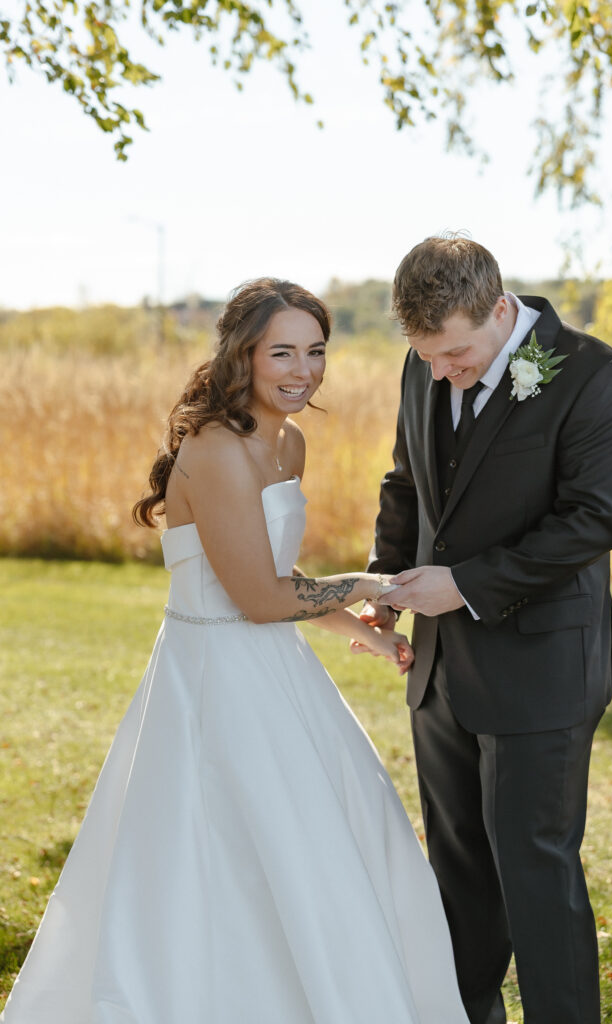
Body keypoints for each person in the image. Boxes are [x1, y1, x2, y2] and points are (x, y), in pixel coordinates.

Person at [0, 278, 468, 1023]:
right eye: (281, 351)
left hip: (278, 675)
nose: (303, 370)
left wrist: (359, 631)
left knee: (320, 851)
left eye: (315, 351)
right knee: (222, 860)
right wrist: (369, 583)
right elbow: (253, 600)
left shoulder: (289, 440)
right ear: (241, 355)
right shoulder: (215, 450)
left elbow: (273, 578)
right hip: (211, 682)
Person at [356, 234, 612, 1024]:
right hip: (441, 672)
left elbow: (591, 521)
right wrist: (386, 582)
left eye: (455, 354)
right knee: (457, 875)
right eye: (428, 356)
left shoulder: (594, 376)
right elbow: (406, 480)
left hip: (542, 670)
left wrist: (465, 586)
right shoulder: (425, 363)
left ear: (499, 308)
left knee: (534, 871)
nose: (442, 370)